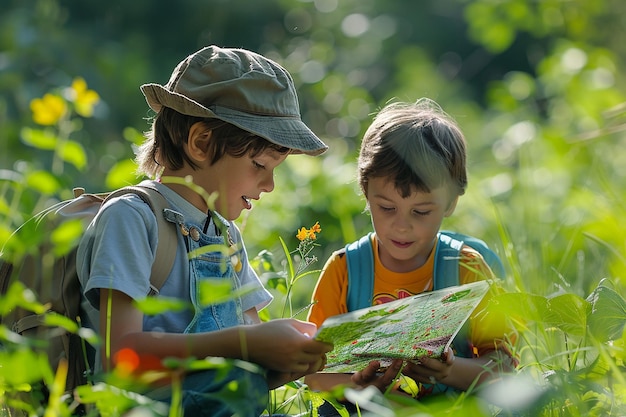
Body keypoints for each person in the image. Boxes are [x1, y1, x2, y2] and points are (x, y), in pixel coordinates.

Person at [77, 45, 333, 416]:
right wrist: (248, 344)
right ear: (200, 142)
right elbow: (122, 358)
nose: (270, 185)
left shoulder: (227, 237)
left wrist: (284, 361)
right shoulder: (132, 219)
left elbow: (244, 376)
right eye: (260, 164)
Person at [305, 99, 516, 414]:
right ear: (365, 192)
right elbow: (314, 373)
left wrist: (450, 370)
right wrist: (356, 385)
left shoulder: (465, 267)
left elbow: (503, 367)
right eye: (387, 208)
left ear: (450, 203)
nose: (401, 225)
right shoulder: (345, 269)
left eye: (421, 211)